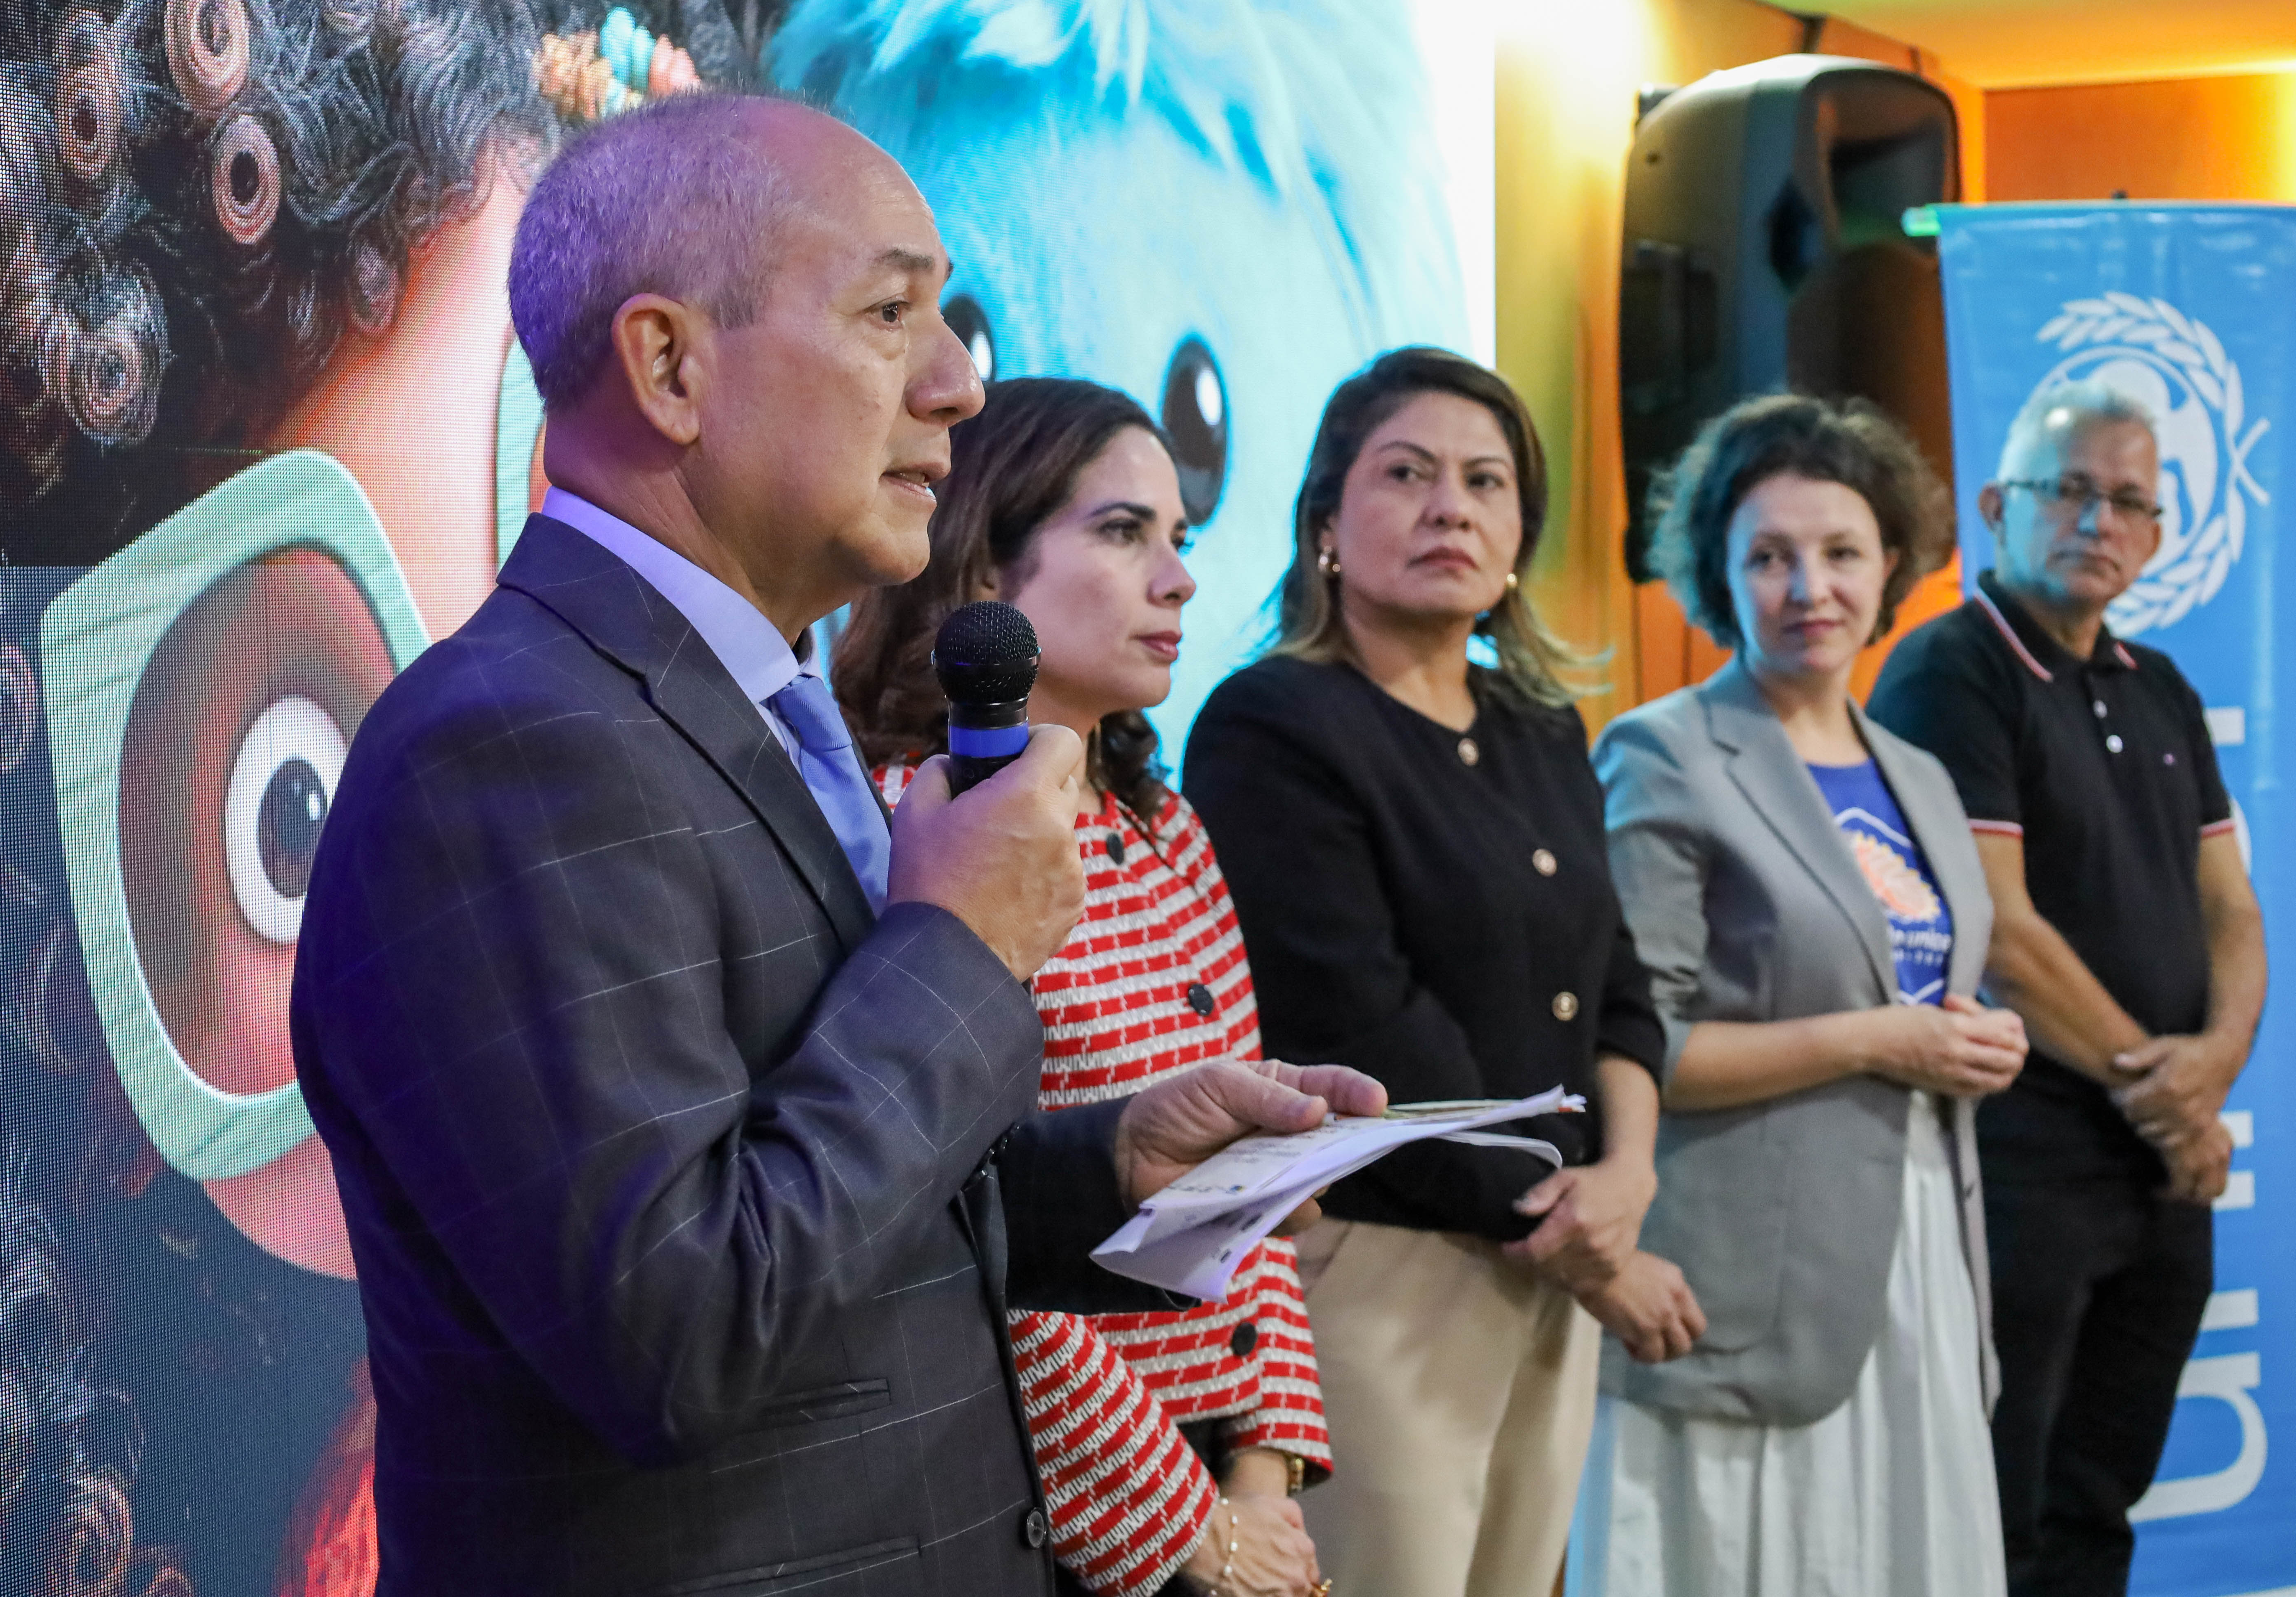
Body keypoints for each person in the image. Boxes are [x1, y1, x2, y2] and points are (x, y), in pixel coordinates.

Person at [288, 93, 1384, 1596]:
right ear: (670, 366)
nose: (957, 385)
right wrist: (960, 950)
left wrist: (1111, 1165)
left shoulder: (738, 707)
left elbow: (829, 1219)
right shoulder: (508, 751)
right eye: (889, 315)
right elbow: (677, 1328)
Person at [1185, 347, 1701, 1597]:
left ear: (1519, 534)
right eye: (1407, 475)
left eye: (1485, 483)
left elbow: (1618, 989)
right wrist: (1593, 1248)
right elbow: (1367, 1027)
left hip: (1554, 1259)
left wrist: (1628, 1179)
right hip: (1380, 1275)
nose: (1450, 509)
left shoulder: (1542, 729)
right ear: (1326, 520)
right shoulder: (1272, 724)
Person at [838, 376, 1331, 1597]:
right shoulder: (912, 826)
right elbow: (953, 1226)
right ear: (984, 570)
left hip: (1221, 1482)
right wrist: (1192, 1532)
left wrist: (1260, 1480)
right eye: (1123, 532)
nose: (1179, 580)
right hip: (1042, 1500)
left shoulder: (1169, 831)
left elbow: (1252, 1179)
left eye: (1182, 538)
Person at [1586, 394, 2026, 1596]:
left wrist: (1973, 1037)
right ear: (1720, 577)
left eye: (1841, 553)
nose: (1810, 587)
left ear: (1893, 567)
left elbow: (1925, 987)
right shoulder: (1665, 752)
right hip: (1739, 1271)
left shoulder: (1920, 774)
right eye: (1770, 557)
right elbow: (1642, 1045)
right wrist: (1880, 1039)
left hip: (1923, 1249)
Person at [1868, 379, 2266, 1596]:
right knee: (1998, 1507)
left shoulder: (2162, 686)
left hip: (2155, 1164)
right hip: (2021, 1158)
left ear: (2157, 533)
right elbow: (1996, 930)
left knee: (2101, 1499)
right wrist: (2174, 1103)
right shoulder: (1951, 672)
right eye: (2072, 491)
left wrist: (2210, 1074)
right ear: (1998, 507)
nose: (2100, 521)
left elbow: (2234, 910)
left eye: (2130, 501)